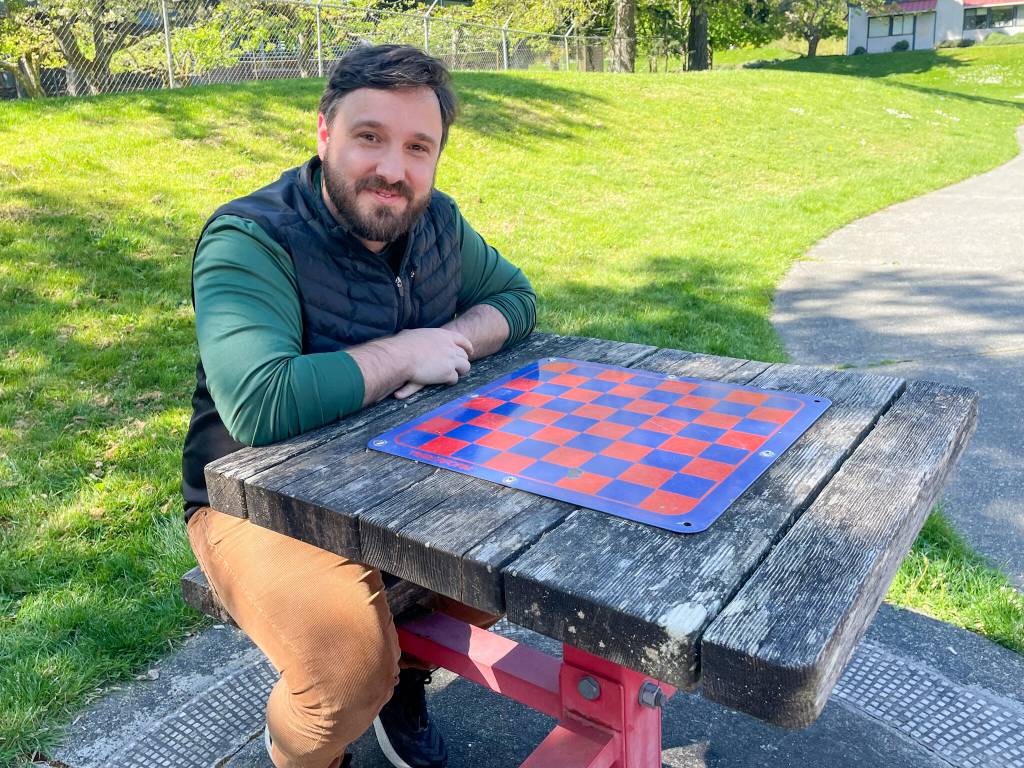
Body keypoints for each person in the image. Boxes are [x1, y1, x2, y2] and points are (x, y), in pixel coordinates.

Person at [180, 44, 536, 768]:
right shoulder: (250, 238)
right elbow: (258, 401)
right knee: (343, 675)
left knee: (524, 553)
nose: (393, 169)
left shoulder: (438, 224)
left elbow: (516, 301)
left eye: (418, 147)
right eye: (369, 137)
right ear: (324, 133)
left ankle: (403, 682)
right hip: (249, 499)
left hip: (404, 478)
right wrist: (405, 353)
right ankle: (312, 751)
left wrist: (454, 335)